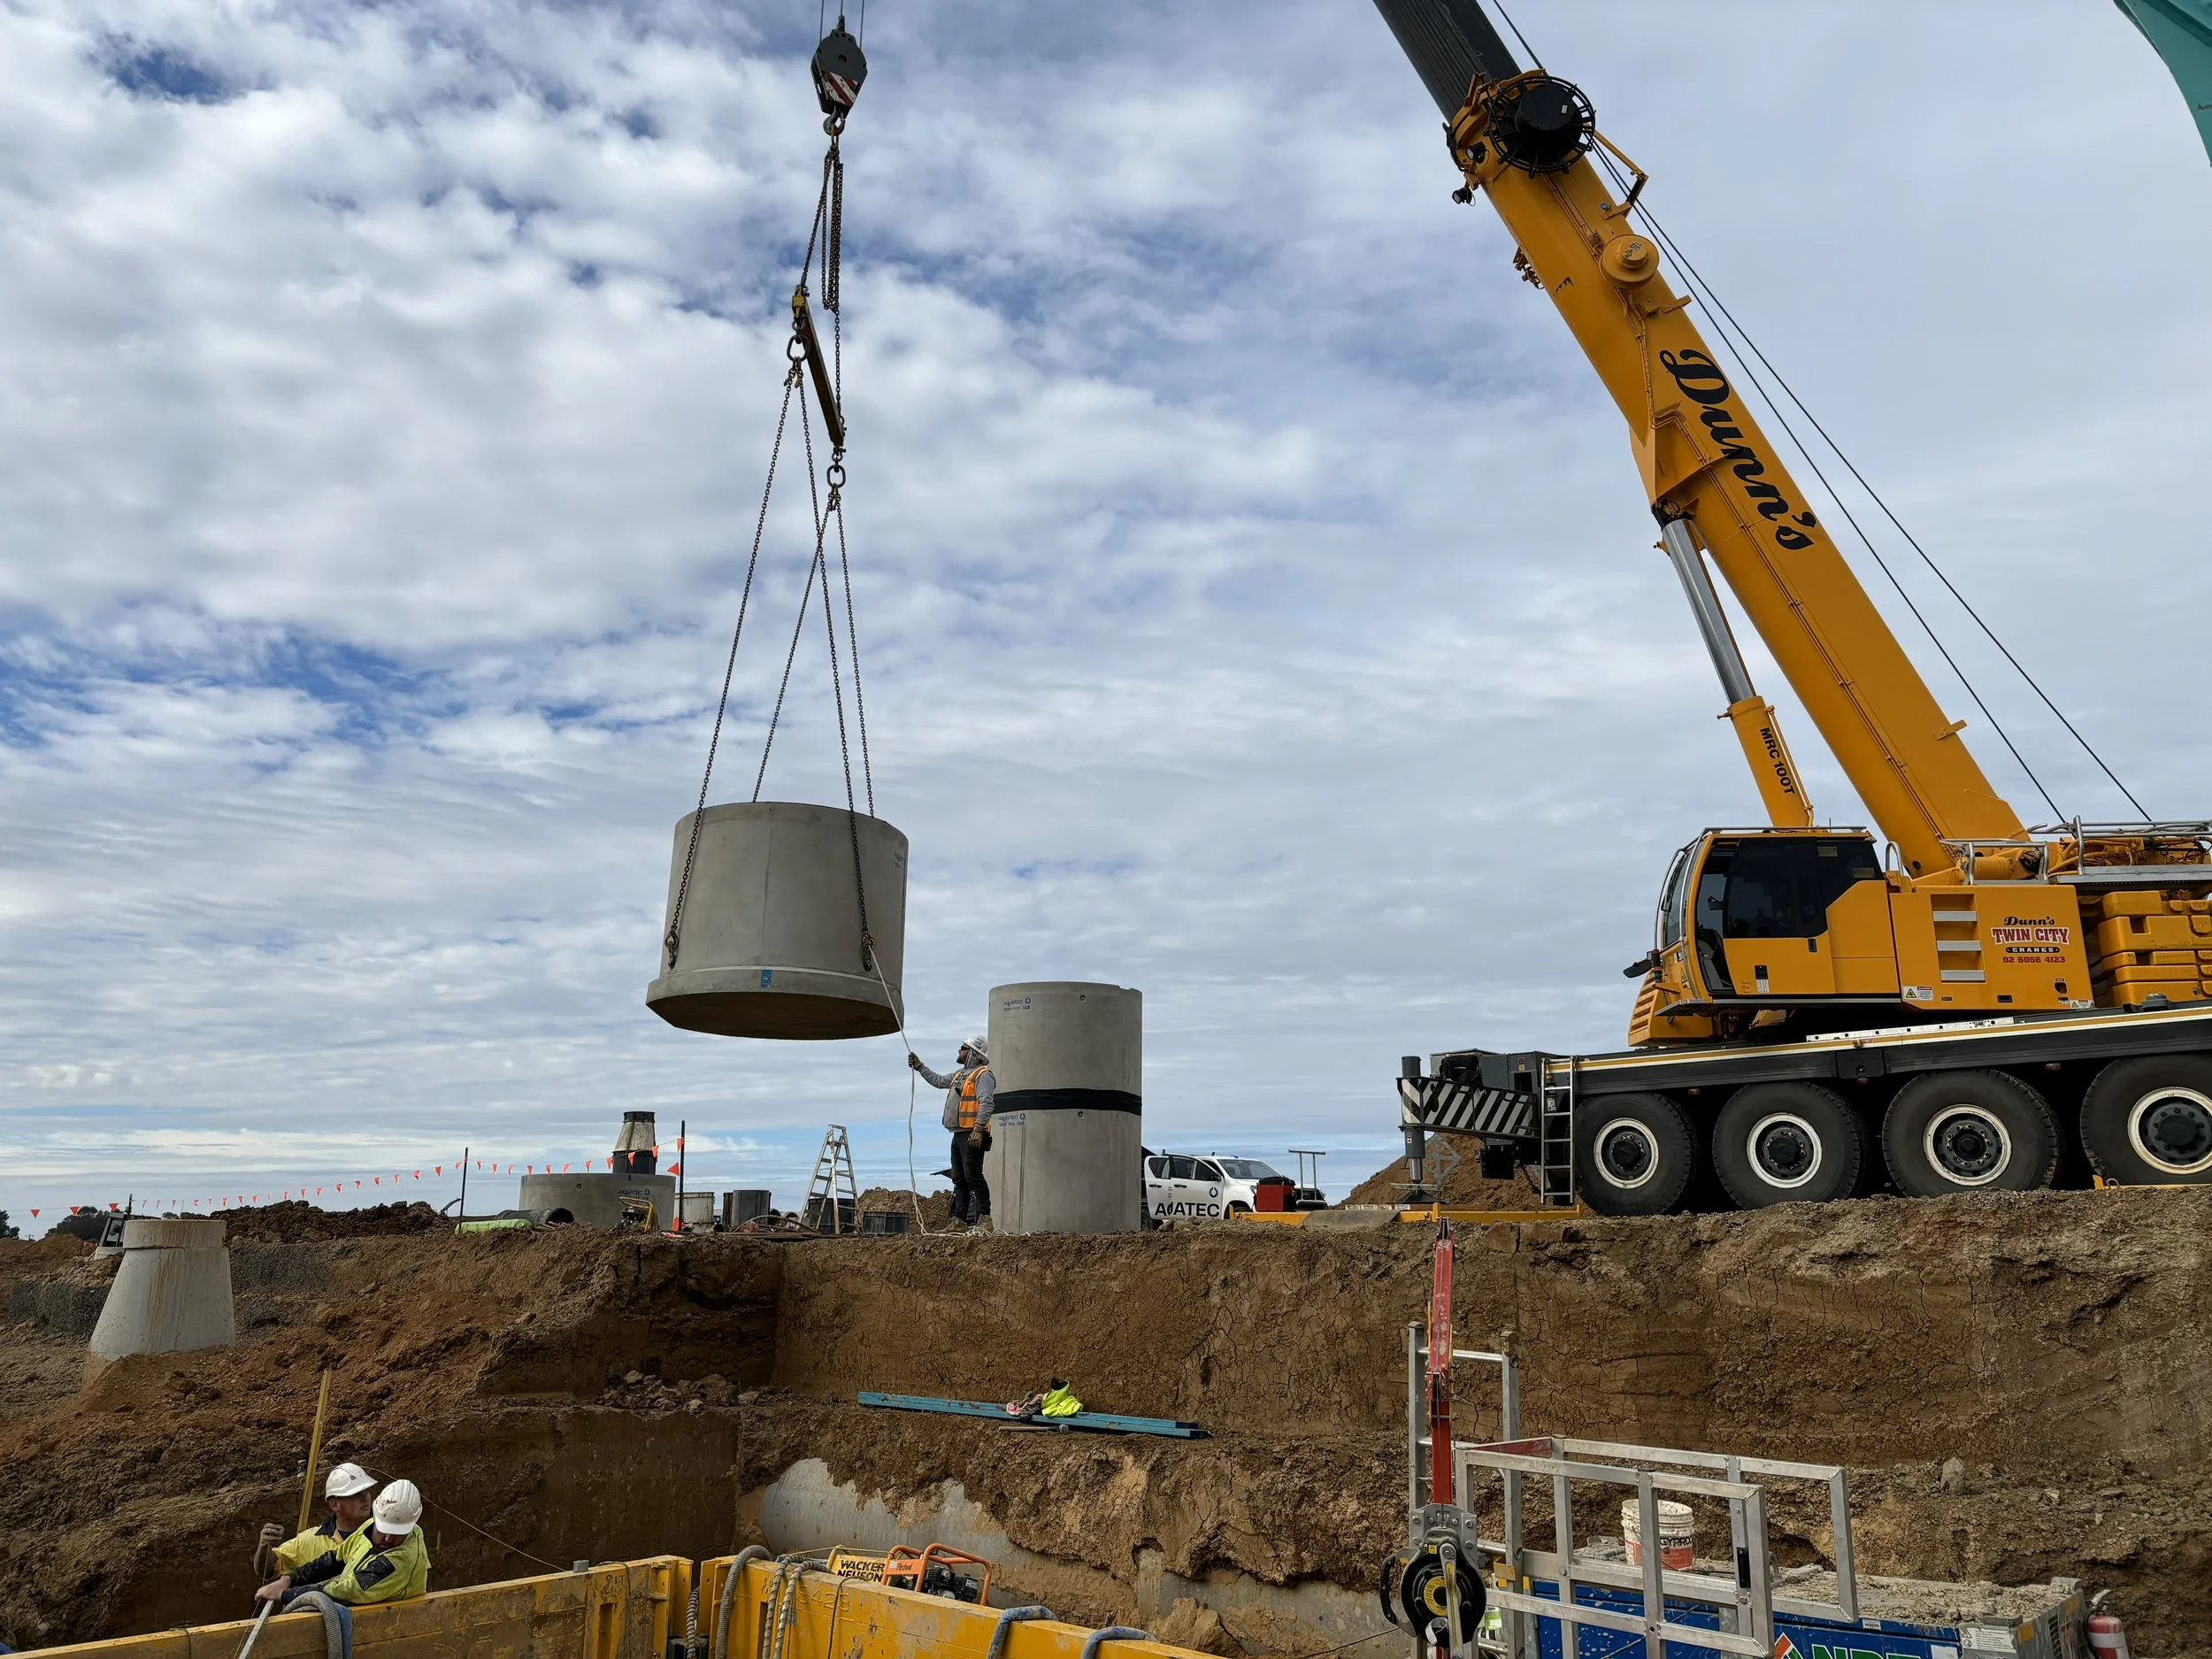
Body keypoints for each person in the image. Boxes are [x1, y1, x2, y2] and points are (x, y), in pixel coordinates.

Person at [256, 1479, 430, 1609]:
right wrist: (289, 1580)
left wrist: (286, 1594)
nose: (388, 1539)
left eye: (397, 1534)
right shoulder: (368, 1527)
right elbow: (335, 1559)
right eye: (384, 1530)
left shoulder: (402, 1559)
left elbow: (349, 1592)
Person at [910, 1034, 995, 1227]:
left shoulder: (983, 1075)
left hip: (972, 1133)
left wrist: (978, 1129)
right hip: (958, 1133)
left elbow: (986, 1103)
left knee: (973, 1175)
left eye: (963, 1048)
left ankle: (985, 1218)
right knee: (959, 1178)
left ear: (973, 1053)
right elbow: (938, 1080)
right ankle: (959, 1221)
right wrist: (920, 1066)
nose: (959, 1051)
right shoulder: (959, 1075)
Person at [253, 1463, 377, 1578]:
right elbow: (266, 1570)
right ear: (334, 1504)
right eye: (356, 1494)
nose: (365, 1498)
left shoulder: (385, 1534)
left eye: (366, 1491)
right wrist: (264, 1546)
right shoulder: (309, 1542)